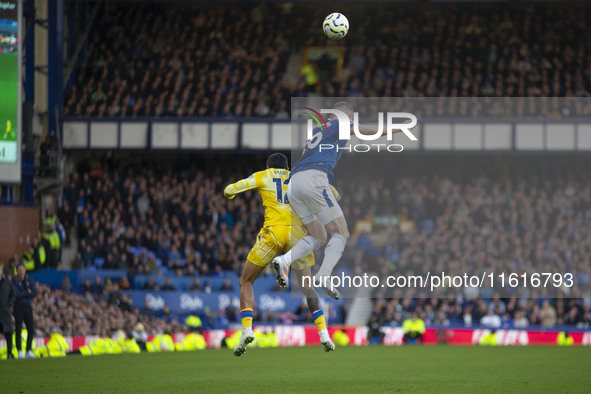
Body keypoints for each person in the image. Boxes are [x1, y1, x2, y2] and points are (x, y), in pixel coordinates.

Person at [272, 102, 411, 295]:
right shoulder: (340, 124)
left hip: (294, 184)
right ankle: (323, 275)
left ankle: (284, 260)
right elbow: (366, 131)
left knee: (319, 237)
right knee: (342, 232)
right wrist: (399, 128)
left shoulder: (317, 130)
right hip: (314, 178)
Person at [224, 153, 335, 357]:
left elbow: (230, 189)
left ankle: (247, 329)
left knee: (246, 281)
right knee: (307, 287)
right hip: (297, 234)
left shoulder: (263, 176)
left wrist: (229, 195)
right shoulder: (298, 177)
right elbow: (332, 194)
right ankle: (324, 333)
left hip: (273, 232)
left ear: (268, 166)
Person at [12, 264, 38, 358]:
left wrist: (25, 293)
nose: (21, 271)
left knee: (30, 329)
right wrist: (27, 292)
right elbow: (16, 295)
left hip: (28, 307)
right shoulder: (14, 281)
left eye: (22, 269)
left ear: (25, 270)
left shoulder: (29, 279)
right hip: (18, 308)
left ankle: (28, 350)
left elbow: (35, 292)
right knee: (18, 329)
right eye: (19, 269)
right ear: (17, 271)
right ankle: (19, 351)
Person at [0, 267, 15, 359]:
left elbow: (13, 295)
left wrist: (10, 304)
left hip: (5, 311)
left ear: (1, 271)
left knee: (9, 333)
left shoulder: (7, 283)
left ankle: (10, 353)